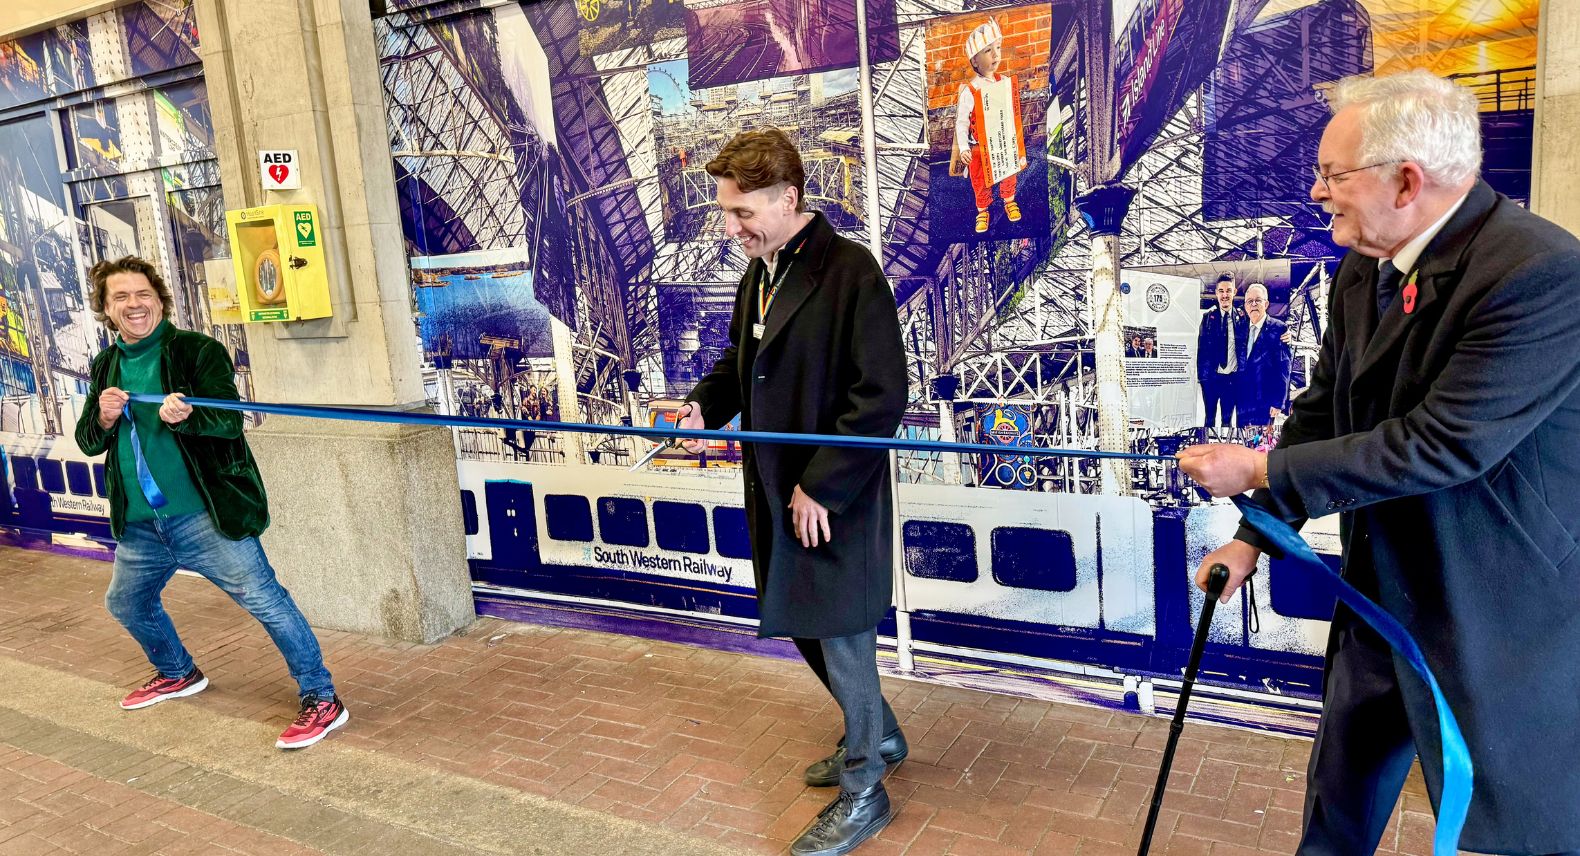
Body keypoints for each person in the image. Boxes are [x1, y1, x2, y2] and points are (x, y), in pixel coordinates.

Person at [1178, 70, 1580, 855]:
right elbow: (1326, 407)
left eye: (1333, 174)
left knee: (1516, 830)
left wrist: (1256, 473)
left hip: (1495, 611)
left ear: (1407, 179)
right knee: (1338, 808)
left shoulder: (1541, 275)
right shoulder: (1365, 264)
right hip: (1380, 596)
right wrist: (1254, 536)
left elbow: (1444, 444)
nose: (1319, 191)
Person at [676, 128, 908, 856]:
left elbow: (880, 396)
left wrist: (822, 488)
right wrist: (703, 406)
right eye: (725, 211)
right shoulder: (763, 272)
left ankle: (866, 789)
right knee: (807, 624)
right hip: (779, 492)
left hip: (829, 499)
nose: (730, 226)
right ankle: (883, 733)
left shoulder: (850, 271)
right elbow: (738, 359)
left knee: (841, 639)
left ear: (789, 198)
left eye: (743, 212)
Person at [75, 256, 347, 751]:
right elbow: (90, 441)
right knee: (125, 602)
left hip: (204, 517)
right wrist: (105, 415)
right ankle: (178, 672)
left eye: (143, 295)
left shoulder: (197, 351)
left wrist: (188, 418)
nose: (134, 305)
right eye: (121, 298)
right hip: (141, 525)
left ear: (159, 300)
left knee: (266, 601)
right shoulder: (106, 364)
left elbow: (230, 422)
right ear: (107, 309)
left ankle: (322, 698)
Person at [949, 19, 1026, 234]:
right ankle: (983, 210)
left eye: (998, 48)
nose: (995, 55)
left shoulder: (1005, 82)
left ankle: (1009, 200)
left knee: (1008, 171)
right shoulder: (970, 90)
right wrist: (964, 147)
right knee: (979, 179)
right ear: (974, 61)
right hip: (978, 147)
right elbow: (962, 121)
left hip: (1001, 140)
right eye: (988, 50)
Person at [1236, 283, 1290, 427]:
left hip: (1265, 401)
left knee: (1261, 442)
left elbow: (1283, 369)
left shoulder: (1279, 329)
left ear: (1266, 304)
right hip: (1242, 399)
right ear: (1245, 306)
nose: (1253, 304)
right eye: (1249, 301)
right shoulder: (1240, 328)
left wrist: (1278, 402)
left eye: (1258, 300)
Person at [1196, 272, 1245, 429]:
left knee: (1227, 421)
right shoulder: (1208, 318)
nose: (1225, 295)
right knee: (1209, 419)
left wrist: (1284, 334)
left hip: (1232, 379)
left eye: (1228, 290)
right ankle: (1207, 449)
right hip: (1211, 378)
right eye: (1221, 291)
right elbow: (1201, 349)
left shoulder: (1242, 317)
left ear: (1234, 292)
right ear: (1216, 293)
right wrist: (1203, 379)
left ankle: (1226, 452)